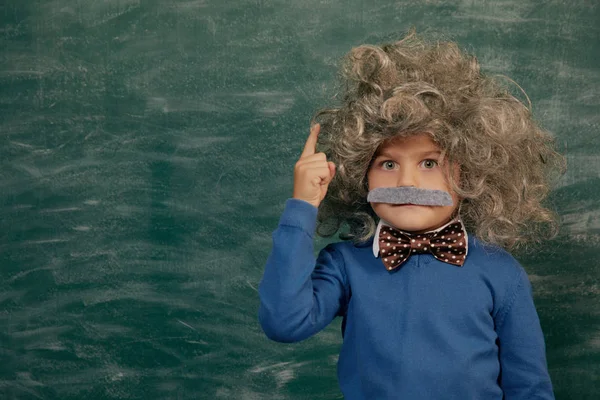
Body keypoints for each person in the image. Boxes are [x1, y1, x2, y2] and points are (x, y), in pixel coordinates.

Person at [258, 29, 565, 399]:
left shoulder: (501, 273)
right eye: (388, 163)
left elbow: (529, 387)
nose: (408, 181)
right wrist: (302, 206)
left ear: (471, 173)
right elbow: (284, 323)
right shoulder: (344, 264)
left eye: (430, 162)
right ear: (361, 174)